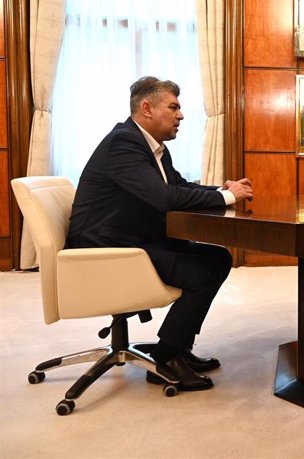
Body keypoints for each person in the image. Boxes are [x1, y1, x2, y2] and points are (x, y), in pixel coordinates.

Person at [66, 76, 253, 391]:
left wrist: (220, 190)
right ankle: (166, 359)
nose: (181, 115)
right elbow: (163, 198)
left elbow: (178, 186)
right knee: (200, 272)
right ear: (146, 108)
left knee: (218, 257)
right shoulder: (123, 143)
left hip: (131, 239)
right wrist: (227, 198)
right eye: (174, 107)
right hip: (107, 250)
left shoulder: (155, 148)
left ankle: (177, 347)